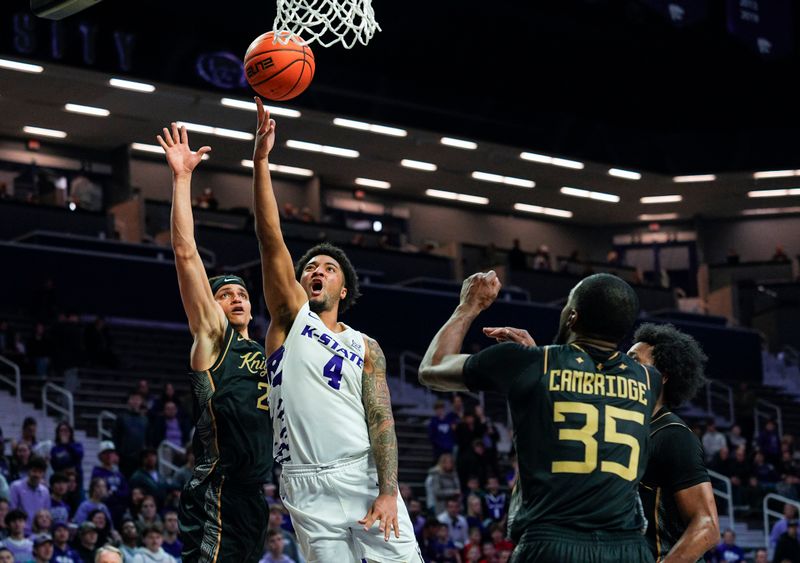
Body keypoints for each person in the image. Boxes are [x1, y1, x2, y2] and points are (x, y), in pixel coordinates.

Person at [249, 97, 420, 562]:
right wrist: (261, 162)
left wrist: (388, 491)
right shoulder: (290, 320)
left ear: (343, 289)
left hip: (361, 476)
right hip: (304, 483)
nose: (315, 271)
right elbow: (271, 239)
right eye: (310, 268)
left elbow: (381, 419)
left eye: (328, 268)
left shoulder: (365, 345)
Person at [418, 271, 661, 562]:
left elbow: (432, 368)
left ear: (572, 317)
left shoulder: (530, 363)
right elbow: (592, 393)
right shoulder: (649, 380)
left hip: (552, 544)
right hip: (628, 549)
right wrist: (536, 361)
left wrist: (468, 306)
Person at [157, 121, 274, 563]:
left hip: (255, 499)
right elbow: (186, 252)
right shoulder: (213, 336)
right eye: (226, 294)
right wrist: (182, 178)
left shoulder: (266, 353)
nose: (237, 299)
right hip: (216, 490)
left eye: (242, 293)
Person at [626, 323, 720, 562]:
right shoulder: (624, 428)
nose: (623, 366)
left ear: (663, 377)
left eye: (635, 360)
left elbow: (707, 526)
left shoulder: (674, 435)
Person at [8, 455, 50, 533]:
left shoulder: (45, 491)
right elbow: (12, 510)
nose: (36, 475)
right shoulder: (16, 486)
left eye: (40, 472)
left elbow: (46, 514)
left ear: (43, 474)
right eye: (34, 471)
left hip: (38, 533)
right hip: (20, 531)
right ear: (28, 471)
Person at [113, 392, 149, 478]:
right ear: (129, 401)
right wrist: (116, 453)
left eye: (138, 399)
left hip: (140, 458)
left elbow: (148, 439)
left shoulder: (145, 420)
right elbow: (115, 437)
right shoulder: (121, 418)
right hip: (124, 457)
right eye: (133, 399)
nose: (135, 402)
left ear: (141, 402)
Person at [49, 422, 84, 495]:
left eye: (66, 430)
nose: (64, 433)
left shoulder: (77, 445)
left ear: (70, 433)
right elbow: (54, 466)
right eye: (61, 430)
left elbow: (79, 455)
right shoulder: (55, 449)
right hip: (62, 482)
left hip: (76, 482)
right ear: (58, 433)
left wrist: (67, 444)